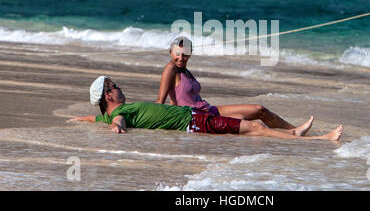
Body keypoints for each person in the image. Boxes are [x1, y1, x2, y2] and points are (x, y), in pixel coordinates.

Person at [70, 76, 343, 141]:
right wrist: (118, 127)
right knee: (256, 128)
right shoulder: (120, 112)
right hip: (195, 123)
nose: (120, 87)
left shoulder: (106, 113)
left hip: (196, 116)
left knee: (256, 117)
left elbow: (96, 117)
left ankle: (293, 132)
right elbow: (117, 121)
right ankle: (316, 140)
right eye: (115, 86)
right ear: (108, 95)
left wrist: (79, 118)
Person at [157, 36, 312, 134]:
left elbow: (175, 98)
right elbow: (160, 103)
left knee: (259, 109)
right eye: (177, 54)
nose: (180, 57)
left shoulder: (185, 70)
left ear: (190, 54)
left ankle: (293, 129)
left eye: (184, 54)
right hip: (198, 117)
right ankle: (290, 135)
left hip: (208, 109)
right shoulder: (170, 69)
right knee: (243, 119)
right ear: (170, 52)